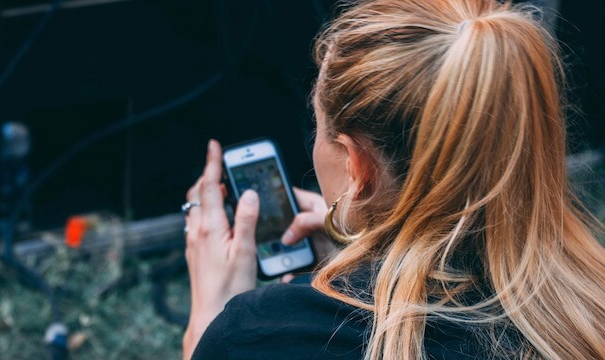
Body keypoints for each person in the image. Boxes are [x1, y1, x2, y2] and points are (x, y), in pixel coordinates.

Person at [181, 0, 605, 359]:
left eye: (320, 128)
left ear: (356, 166)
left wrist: (210, 320)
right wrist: (351, 259)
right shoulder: (589, 303)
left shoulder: (260, 336)